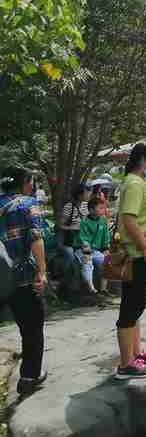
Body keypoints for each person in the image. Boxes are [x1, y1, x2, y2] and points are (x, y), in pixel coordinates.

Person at [115, 142, 146, 380]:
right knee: (131, 307)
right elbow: (129, 219)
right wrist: (145, 245)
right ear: (144, 161)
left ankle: (136, 353)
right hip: (137, 254)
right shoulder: (134, 184)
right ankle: (126, 364)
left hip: (142, 253)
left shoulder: (138, 182)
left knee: (137, 306)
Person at [0, 167, 48, 396]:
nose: (32, 185)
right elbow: (37, 240)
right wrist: (42, 272)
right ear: (23, 183)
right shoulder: (28, 204)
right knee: (32, 328)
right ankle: (29, 378)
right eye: (31, 181)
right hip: (22, 278)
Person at [76, 196, 110, 294]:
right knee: (87, 263)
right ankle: (91, 289)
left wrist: (106, 248)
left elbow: (106, 236)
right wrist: (87, 254)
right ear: (91, 210)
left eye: (103, 208)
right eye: (100, 208)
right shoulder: (84, 222)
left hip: (96, 250)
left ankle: (103, 289)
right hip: (83, 249)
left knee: (106, 262)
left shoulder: (103, 220)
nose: (103, 210)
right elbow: (83, 240)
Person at [59, 183, 90, 271]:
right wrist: (72, 228)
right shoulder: (69, 207)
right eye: (86, 193)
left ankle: (85, 277)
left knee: (88, 254)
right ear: (79, 195)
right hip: (68, 240)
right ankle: (64, 276)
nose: (88, 195)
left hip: (81, 239)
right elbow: (60, 226)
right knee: (70, 255)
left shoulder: (86, 205)